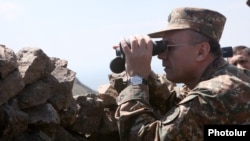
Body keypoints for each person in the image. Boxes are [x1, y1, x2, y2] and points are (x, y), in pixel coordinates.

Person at [113, 7, 250, 141]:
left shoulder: (214, 94)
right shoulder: (232, 76)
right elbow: (174, 102)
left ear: (201, 51)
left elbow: (144, 137)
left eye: (169, 47)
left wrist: (136, 78)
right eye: (160, 47)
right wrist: (143, 69)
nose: (161, 56)